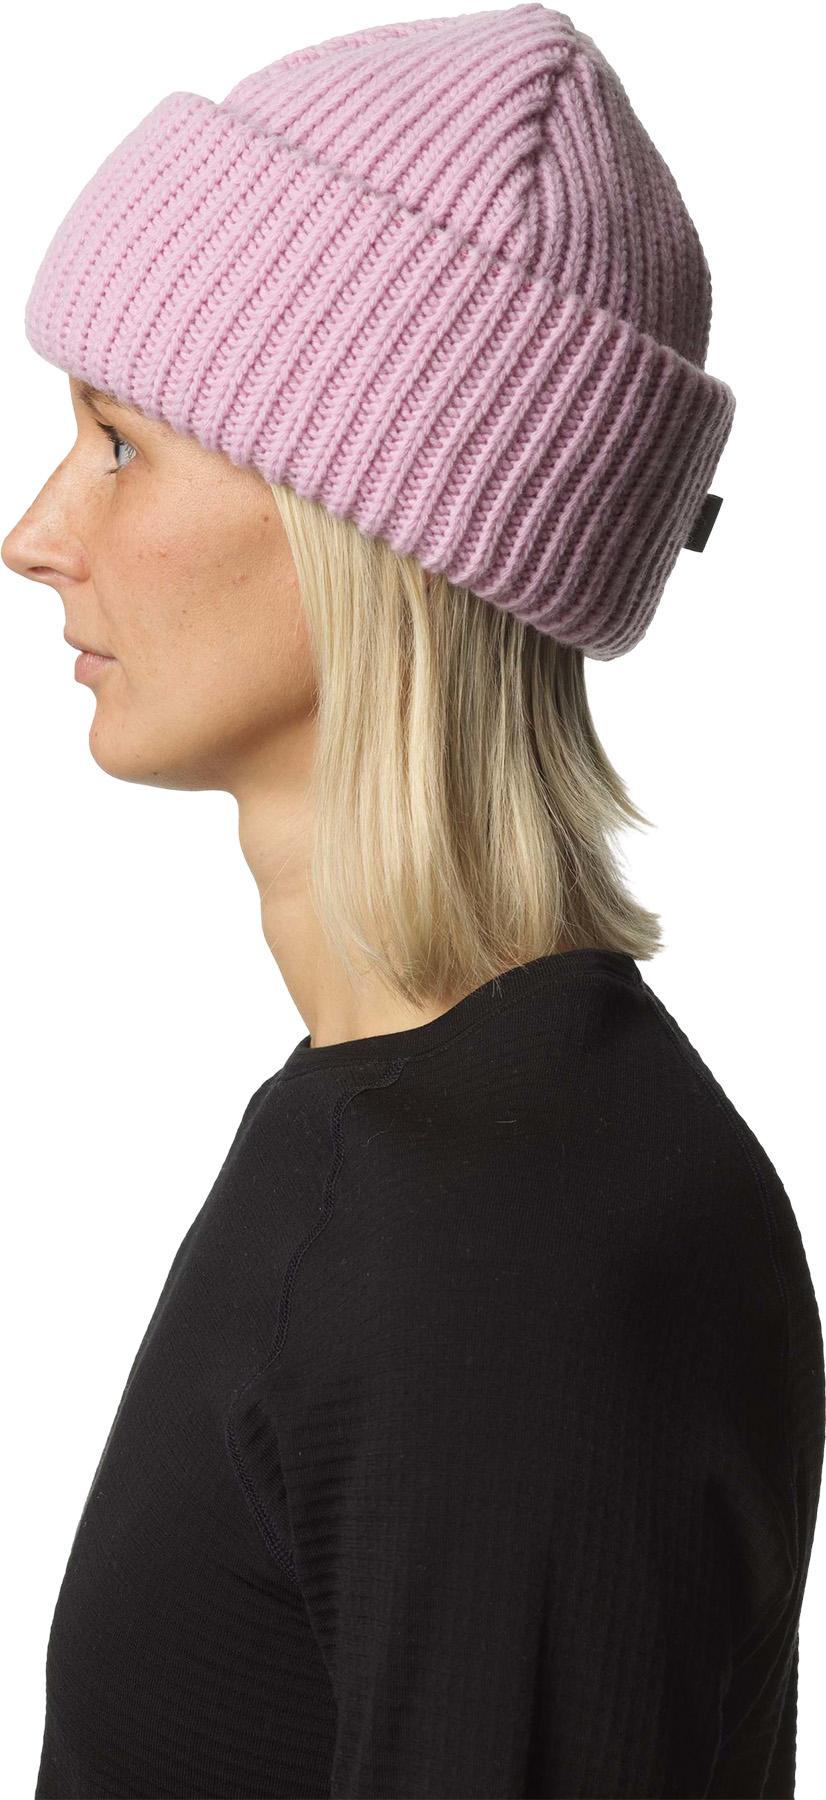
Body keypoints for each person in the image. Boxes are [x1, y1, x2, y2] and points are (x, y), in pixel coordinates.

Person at [3, 7, 823, 1796]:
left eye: (119, 442)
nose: (37, 534)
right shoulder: (414, 1137)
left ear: (371, 525)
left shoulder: (512, 1257)